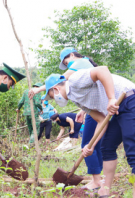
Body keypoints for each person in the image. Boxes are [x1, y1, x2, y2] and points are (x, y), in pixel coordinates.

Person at [44, 67, 135, 198]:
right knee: (107, 147)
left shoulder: (74, 81)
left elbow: (102, 70)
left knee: (133, 152)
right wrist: (91, 145)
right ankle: (104, 191)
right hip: (117, 109)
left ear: (56, 89)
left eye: (52, 96)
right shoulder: (77, 99)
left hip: (131, 99)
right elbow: (100, 120)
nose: (54, 99)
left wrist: (111, 98)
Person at [29, 47, 103, 191]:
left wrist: (38, 89)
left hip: (98, 109)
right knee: (97, 145)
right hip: (96, 107)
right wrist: (83, 110)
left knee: (87, 144)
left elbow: (60, 80)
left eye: (66, 60)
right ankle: (100, 179)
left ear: (72, 55)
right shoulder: (86, 65)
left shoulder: (80, 62)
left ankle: (96, 180)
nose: (67, 64)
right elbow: (91, 91)